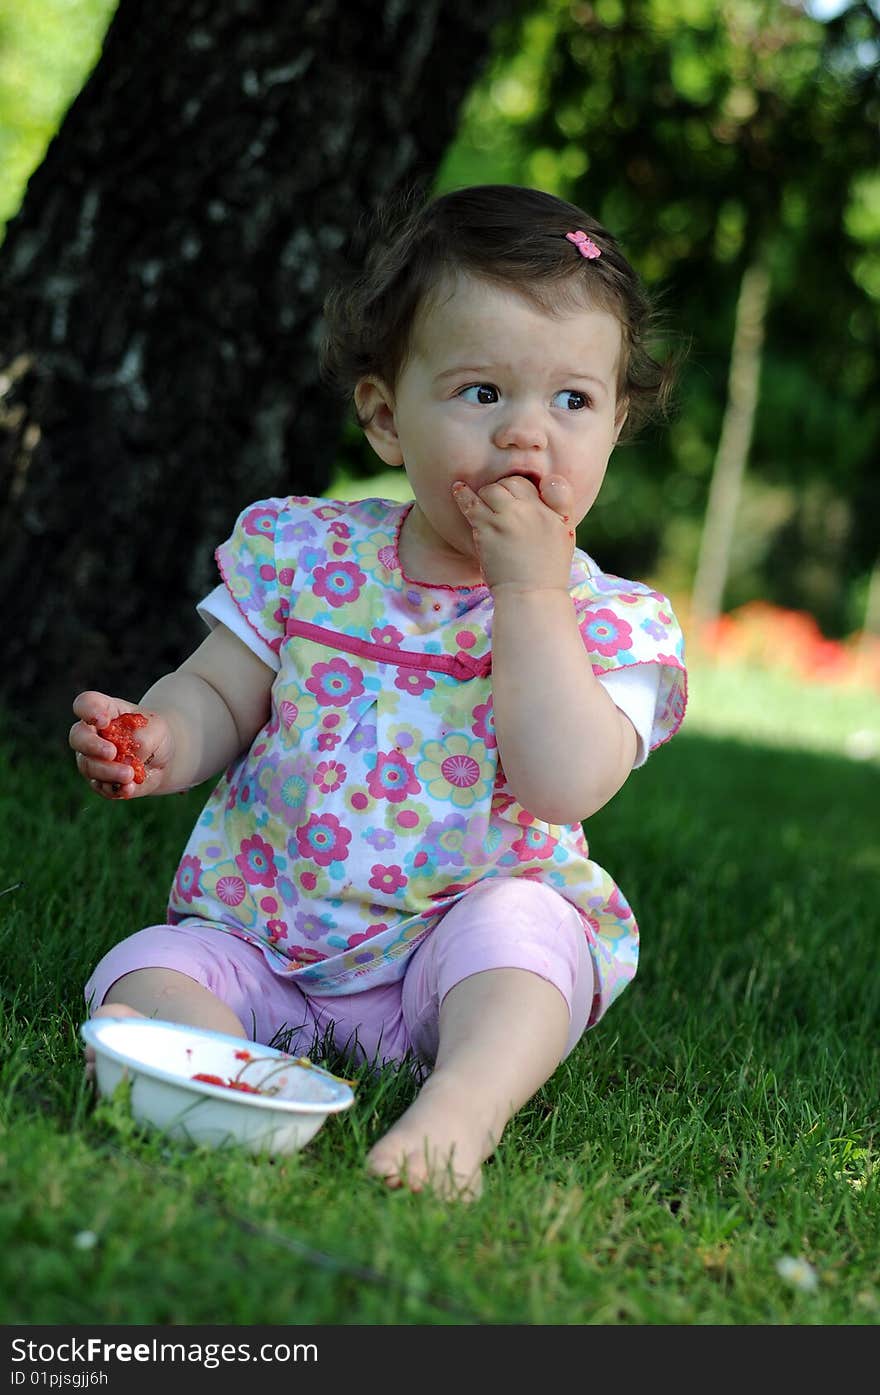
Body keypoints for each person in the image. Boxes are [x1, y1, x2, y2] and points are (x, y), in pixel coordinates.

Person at [70, 184, 687, 1199]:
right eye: (483, 394)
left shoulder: (606, 619)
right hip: (269, 935)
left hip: (454, 951)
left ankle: (459, 1109)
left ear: (615, 426)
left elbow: (563, 783)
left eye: (570, 401)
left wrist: (527, 591)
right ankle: (234, 1071)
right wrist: (164, 737)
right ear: (386, 417)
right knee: (147, 964)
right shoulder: (307, 554)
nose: (526, 437)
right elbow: (222, 693)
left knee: (531, 943)